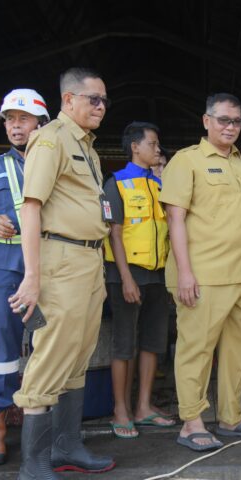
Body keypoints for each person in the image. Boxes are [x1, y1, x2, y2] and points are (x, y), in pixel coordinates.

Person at [8, 67, 115, 477]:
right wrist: (32, 276)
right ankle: (33, 465)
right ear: (68, 100)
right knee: (50, 357)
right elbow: (30, 207)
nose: (101, 107)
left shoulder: (87, 147)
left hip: (89, 260)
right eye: (94, 99)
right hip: (62, 260)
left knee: (78, 356)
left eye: (105, 100)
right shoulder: (51, 139)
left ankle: (66, 446)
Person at [159, 93, 241, 452]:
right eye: (223, 120)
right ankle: (192, 422)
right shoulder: (186, 161)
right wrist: (185, 273)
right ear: (206, 121)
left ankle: (231, 417)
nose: (230, 127)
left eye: (236, 121)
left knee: (239, 350)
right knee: (196, 349)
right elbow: (175, 219)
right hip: (204, 275)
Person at [0, 88, 49, 466]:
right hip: (4, 267)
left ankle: (51, 428)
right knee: (0, 348)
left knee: (52, 346)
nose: (15, 126)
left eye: (23, 119)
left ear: (40, 123)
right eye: (10, 120)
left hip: (51, 264)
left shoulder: (55, 161)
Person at [103, 121, 174, 438]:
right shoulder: (115, 183)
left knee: (152, 343)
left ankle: (143, 407)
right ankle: (121, 410)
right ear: (135, 147)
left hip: (158, 276)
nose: (158, 150)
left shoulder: (161, 185)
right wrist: (126, 278)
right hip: (127, 276)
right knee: (124, 345)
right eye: (153, 144)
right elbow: (114, 234)